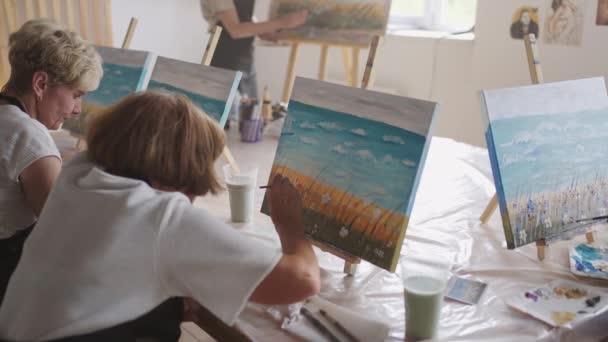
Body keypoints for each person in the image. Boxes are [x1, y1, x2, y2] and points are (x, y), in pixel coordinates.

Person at [0, 90, 320, 341]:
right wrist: (290, 225)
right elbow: (302, 281)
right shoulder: (159, 214)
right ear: (176, 176)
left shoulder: (79, 173)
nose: (191, 199)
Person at [0, 19, 102, 303]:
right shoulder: (28, 135)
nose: (77, 109)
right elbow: (64, 231)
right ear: (41, 83)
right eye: (76, 95)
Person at [200, 0, 308, 129]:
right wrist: (282, 22)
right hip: (222, 57)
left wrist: (264, 31)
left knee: (251, 118)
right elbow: (235, 30)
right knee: (220, 121)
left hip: (245, 57)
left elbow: (245, 18)